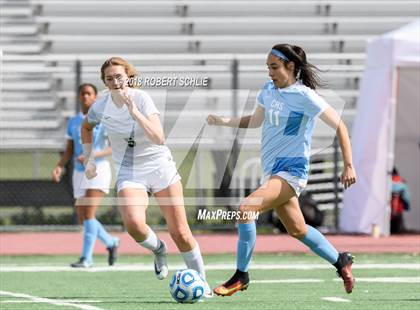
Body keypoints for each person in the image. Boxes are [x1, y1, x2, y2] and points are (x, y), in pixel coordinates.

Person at [207, 44, 357, 296]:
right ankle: (340, 260)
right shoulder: (268, 90)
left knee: (246, 209)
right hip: (272, 171)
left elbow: (340, 126)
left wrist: (349, 165)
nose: (270, 73)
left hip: (291, 169)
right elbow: (255, 121)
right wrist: (225, 121)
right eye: (268, 67)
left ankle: (241, 275)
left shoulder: (305, 96)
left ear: (291, 67)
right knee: (297, 229)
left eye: (274, 67)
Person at [80, 57, 212, 297]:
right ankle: (159, 249)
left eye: (119, 76)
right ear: (104, 82)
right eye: (109, 78)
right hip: (130, 171)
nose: (115, 82)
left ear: (128, 76)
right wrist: (89, 158)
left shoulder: (142, 98)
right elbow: (86, 127)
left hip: (160, 167)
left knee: (181, 233)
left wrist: (135, 112)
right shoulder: (100, 106)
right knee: (133, 224)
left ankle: (202, 284)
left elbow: (159, 137)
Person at [52, 83, 119, 268]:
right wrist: (59, 166)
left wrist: (92, 155)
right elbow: (69, 150)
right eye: (82, 93)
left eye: (89, 93)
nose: (85, 97)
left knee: (89, 213)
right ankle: (111, 242)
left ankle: (86, 258)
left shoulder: (104, 119)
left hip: (98, 171)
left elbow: (113, 147)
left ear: (95, 97)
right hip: (78, 172)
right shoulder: (73, 122)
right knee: (83, 217)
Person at [390, 167, 410, 234]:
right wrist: (407, 206)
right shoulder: (401, 182)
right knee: (398, 231)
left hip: (386, 210)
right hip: (398, 210)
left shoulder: (386, 181)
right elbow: (406, 197)